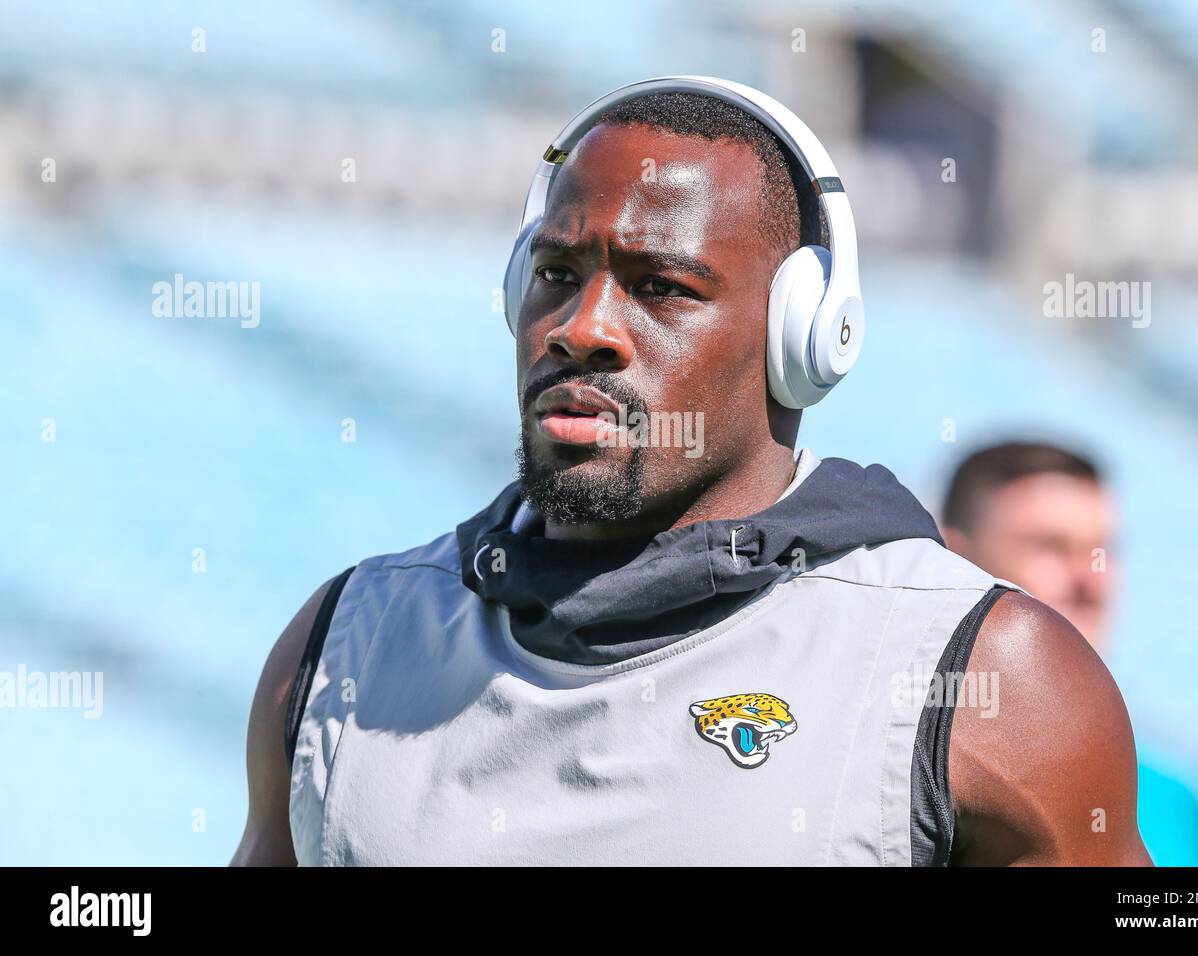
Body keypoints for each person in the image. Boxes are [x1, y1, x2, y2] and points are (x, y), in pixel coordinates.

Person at [232, 78, 1149, 866]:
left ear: (802, 337)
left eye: (662, 286)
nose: (581, 329)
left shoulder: (987, 677)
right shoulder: (339, 649)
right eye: (556, 272)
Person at [940, 440, 1198, 865]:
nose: (1092, 581)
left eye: (1103, 551)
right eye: (1051, 546)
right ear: (956, 560)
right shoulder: (906, 773)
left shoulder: (1177, 803)